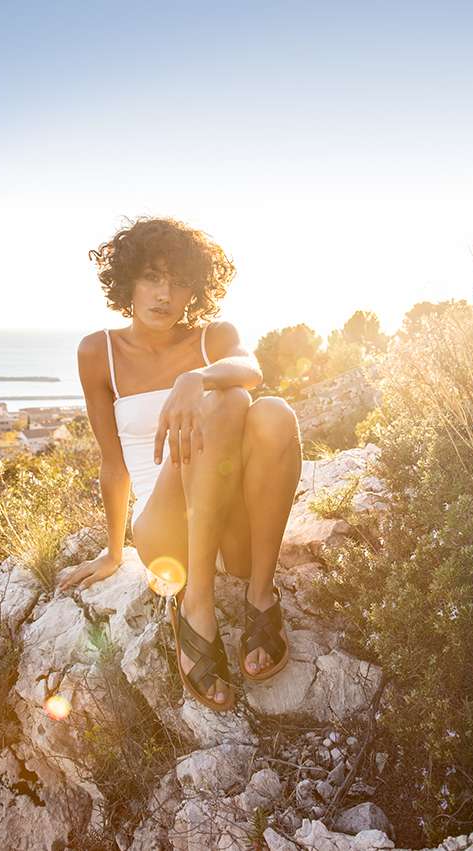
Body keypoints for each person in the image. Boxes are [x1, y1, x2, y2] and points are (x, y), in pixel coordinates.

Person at [58, 216, 303, 712]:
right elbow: (113, 464)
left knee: (271, 411)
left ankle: (260, 593)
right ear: (128, 279)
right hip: (165, 532)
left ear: (196, 288)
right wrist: (111, 552)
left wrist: (196, 378)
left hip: (232, 533)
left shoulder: (215, 337)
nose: (164, 293)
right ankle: (197, 606)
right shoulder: (97, 352)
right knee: (229, 402)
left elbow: (252, 370)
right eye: (151, 276)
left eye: (178, 280)